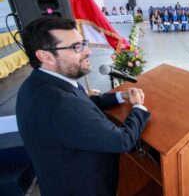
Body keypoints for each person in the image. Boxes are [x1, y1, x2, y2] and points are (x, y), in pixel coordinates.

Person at [16, 17, 151, 196]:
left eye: (83, 43)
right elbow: (122, 141)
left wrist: (120, 96)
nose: (88, 51)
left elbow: (82, 103)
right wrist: (138, 108)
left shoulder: (40, 83)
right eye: (76, 47)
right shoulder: (61, 104)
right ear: (46, 56)